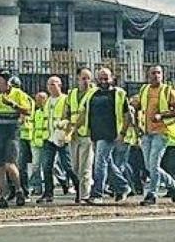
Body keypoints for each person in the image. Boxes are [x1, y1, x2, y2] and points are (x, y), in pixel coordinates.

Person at [0, 68, 32, 208]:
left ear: (5, 79)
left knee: (9, 163)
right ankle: (3, 195)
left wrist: (12, 104)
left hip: (12, 130)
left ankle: (18, 190)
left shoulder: (18, 94)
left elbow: (28, 111)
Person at [136, 65, 175, 206]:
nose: (156, 75)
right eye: (153, 73)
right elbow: (140, 107)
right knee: (149, 166)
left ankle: (152, 194)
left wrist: (161, 115)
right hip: (146, 133)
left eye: (159, 73)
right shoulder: (144, 90)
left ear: (162, 75)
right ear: (148, 75)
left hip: (161, 131)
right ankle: (173, 184)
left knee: (154, 163)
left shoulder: (168, 90)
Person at [86, 68, 129, 205]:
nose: (104, 81)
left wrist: (122, 133)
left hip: (110, 133)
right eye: (101, 78)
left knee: (100, 163)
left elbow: (128, 115)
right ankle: (122, 186)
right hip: (95, 133)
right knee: (107, 163)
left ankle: (97, 193)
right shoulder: (92, 93)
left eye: (106, 78)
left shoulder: (118, 93)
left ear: (112, 78)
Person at [37, 76, 79, 204]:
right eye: (49, 84)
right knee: (46, 166)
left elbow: (71, 117)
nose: (50, 87)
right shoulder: (48, 101)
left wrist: (67, 131)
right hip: (49, 137)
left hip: (61, 137)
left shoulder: (65, 99)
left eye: (53, 84)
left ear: (60, 85)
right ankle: (48, 193)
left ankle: (79, 189)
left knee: (68, 166)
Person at [65, 68, 95, 204]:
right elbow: (67, 112)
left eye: (88, 78)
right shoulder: (72, 94)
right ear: (77, 79)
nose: (86, 81)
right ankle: (79, 191)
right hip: (73, 135)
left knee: (85, 167)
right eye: (83, 78)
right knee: (75, 166)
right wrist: (66, 128)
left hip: (87, 134)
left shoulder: (94, 93)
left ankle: (84, 195)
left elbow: (86, 114)